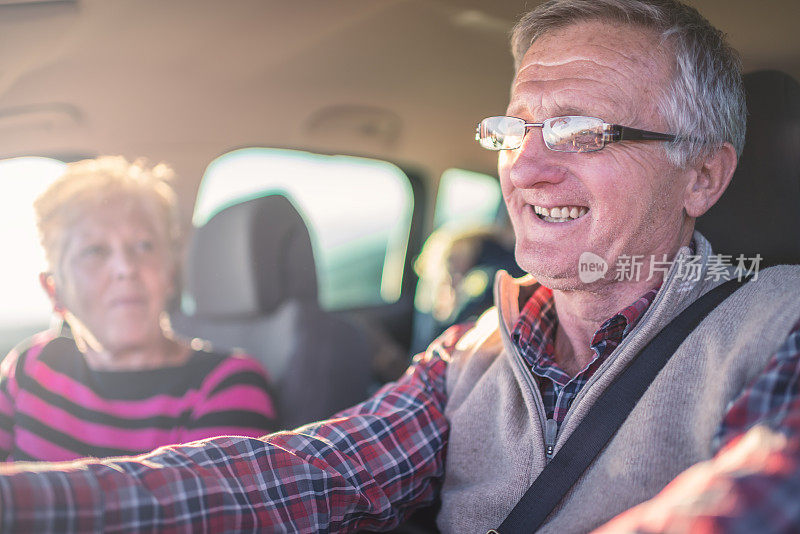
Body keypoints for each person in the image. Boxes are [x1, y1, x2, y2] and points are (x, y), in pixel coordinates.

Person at [1, 1, 799, 532]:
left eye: (582, 130)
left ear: (703, 176)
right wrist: (27, 499)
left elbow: (759, 496)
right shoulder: (474, 349)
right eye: (513, 131)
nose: (523, 170)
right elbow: (314, 472)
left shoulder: (779, 326)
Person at [0, 156, 277, 462]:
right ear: (55, 290)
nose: (126, 268)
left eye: (144, 246)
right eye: (95, 251)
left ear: (170, 274)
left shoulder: (227, 384)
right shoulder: (30, 368)